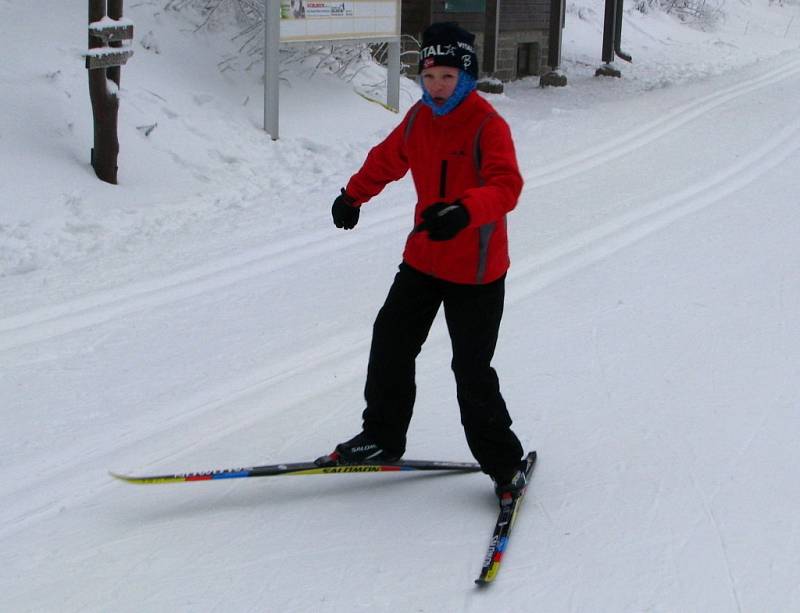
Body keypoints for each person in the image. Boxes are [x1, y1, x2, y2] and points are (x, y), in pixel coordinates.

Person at [317, 22, 527, 498]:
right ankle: (382, 437)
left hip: (476, 270)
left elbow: (506, 186)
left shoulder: (486, 125)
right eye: (429, 76)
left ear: (466, 77)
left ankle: (504, 464)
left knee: (471, 370)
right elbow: (388, 158)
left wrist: (464, 211)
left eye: (447, 77)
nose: (436, 86)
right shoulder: (419, 118)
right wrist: (352, 196)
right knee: (390, 342)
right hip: (424, 259)